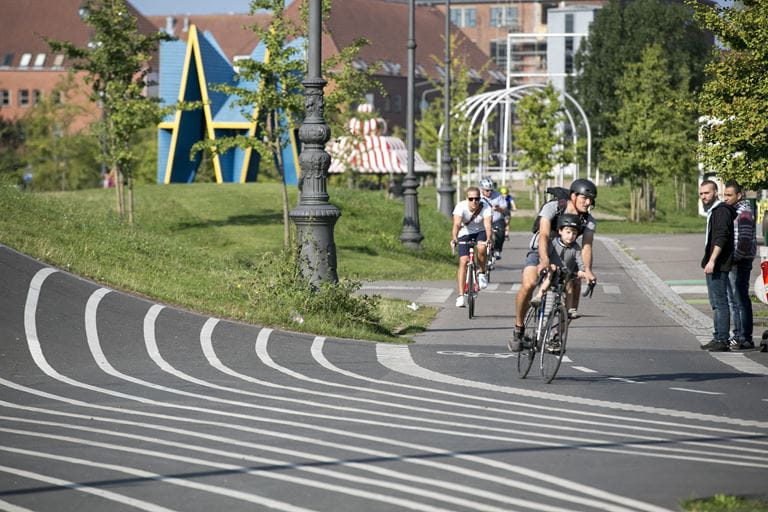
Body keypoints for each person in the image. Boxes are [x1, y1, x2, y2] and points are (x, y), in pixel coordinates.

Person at [509, 179, 598, 351]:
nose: (589, 203)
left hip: (566, 255)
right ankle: (519, 328)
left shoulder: (589, 220)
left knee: (576, 284)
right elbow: (543, 234)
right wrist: (544, 259)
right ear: (573, 196)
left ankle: (557, 336)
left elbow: (587, 246)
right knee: (529, 284)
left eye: (591, 200)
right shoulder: (554, 207)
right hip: (542, 250)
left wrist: (586, 270)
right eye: (585, 198)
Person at [699, 179, 737, 352]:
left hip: (718, 264)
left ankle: (722, 339)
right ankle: (718, 337)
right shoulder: (714, 212)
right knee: (716, 302)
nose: (703, 196)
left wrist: (712, 260)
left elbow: (721, 237)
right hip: (713, 263)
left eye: (707, 193)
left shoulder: (721, 211)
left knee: (721, 302)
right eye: (701, 194)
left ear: (715, 192)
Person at [723, 180, 756, 350]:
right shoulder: (733, 210)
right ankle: (738, 335)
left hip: (740, 261)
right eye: (724, 195)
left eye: (729, 195)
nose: (726, 198)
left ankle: (745, 337)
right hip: (734, 260)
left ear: (739, 195)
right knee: (733, 299)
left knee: (740, 299)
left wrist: (735, 257)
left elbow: (744, 239)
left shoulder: (744, 213)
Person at [529, 213, 587, 309]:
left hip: (565, 273)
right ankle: (538, 296)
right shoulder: (554, 242)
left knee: (569, 288)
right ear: (560, 231)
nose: (571, 236)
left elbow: (579, 260)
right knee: (550, 273)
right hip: (552, 271)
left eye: (574, 233)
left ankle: (569, 309)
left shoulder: (576, 248)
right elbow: (545, 255)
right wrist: (547, 264)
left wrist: (581, 270)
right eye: (568, 232)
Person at [451, 186, 493, 307]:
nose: (474, 201)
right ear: (466, 199)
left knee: (481, 248)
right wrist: (454, 238)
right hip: (465, 232)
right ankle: (460, 295)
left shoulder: (485, 207)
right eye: (471, 199)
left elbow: (488, 225)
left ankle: (482, 272)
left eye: (477, 198)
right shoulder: (460, 207)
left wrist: (489, 239)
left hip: (481, 231)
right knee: (463, 261)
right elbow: (457, 224)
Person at [479, 177, 508, 260]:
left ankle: (497, 250)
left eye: (491, 190)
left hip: (496, 218)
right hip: (483, 220)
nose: (489, 192)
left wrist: (498, 209)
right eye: (487, 190)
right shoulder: (478, 196)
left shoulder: (498, 195)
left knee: (501, 232)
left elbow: (504, 208)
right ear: (482, 189)